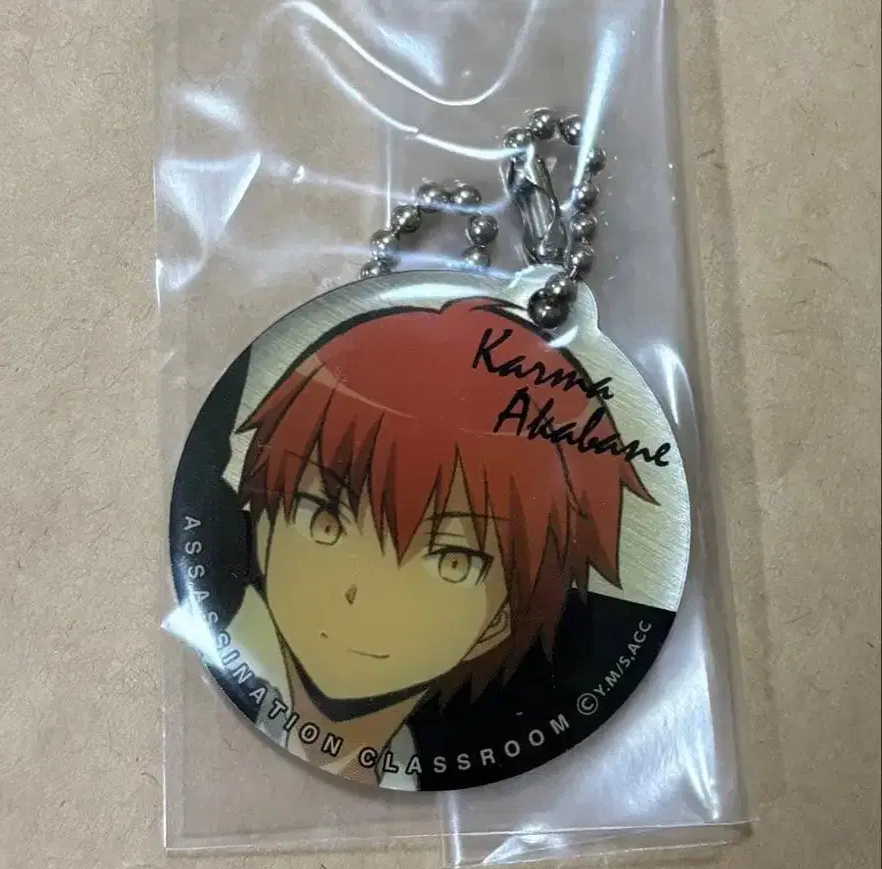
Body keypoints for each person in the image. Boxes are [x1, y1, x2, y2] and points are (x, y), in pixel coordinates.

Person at [227, 297, 652, 788]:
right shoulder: (214, 672)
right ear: (265, 530)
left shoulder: (446, 764)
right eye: (325, 521)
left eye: (453, 561)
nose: (366, 598)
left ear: (501, 618)